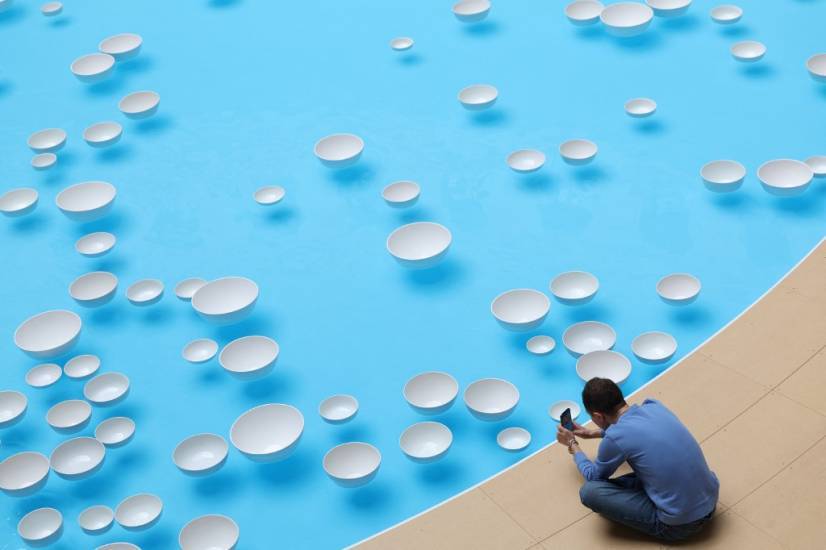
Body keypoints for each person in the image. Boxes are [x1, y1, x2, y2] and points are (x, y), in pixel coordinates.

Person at [556, 377, 719, 542]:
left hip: (681, 525)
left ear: (598, 416)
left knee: (590, 491)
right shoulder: (654, 406)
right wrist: (591, 433)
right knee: (650, 461)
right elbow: (635, 431)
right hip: (711, 499)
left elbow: (593, 476)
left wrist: (572, 443)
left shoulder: (616, 437)